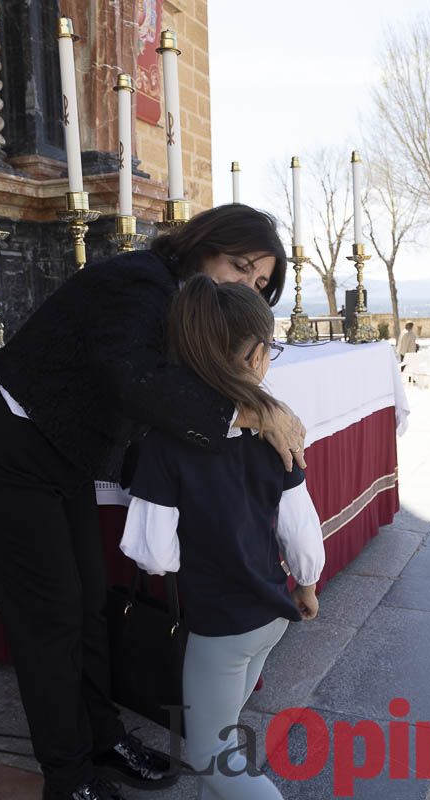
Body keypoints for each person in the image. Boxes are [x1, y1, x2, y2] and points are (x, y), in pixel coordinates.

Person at [0, 205, 300, 800]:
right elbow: (135, 379)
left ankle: (102, 738)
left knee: (87, 605)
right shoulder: (140, 281)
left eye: (259, 285)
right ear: (203, 245)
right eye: (238, 266)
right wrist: (251, 408)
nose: (243, 286)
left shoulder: (185, 304)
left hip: (61, 451)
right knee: (49, 619)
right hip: (1, 441)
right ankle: (68, 775)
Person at [121, 276, 325, 800]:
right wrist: (306, 586)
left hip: (218, 625)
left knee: (207, 754)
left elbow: (155, 556)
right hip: (271, 614)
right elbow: (301, 532)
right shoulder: (274, 433)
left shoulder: (165, 446)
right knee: (225, 744)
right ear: (255, 354)